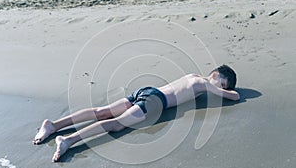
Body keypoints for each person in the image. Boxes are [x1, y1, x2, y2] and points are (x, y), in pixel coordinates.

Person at [33, 65, 240, 162]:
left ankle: (54, 125)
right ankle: (68, 140)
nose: (220, 88)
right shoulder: (202, 82)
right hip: (155, 101)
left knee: (102, 111)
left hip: (148, 91)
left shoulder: (192, 75)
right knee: (116, 124)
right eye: (221, 83)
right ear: (213, 75)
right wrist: (228, 90)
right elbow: (233, 97)